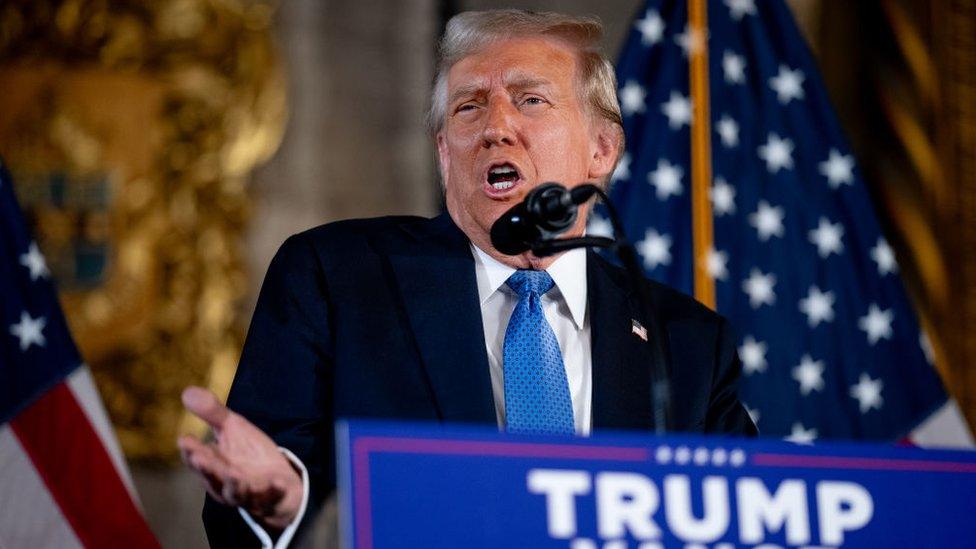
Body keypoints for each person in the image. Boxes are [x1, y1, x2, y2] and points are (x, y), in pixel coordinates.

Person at [178, 9, 757, 548]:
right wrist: (284, 506)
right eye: (468, 107)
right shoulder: (338, 279)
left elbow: (748, 521)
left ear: (601, 150)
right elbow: (250, 501)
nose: (496, 127)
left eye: (531, 100)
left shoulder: (686, 344)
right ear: (444, 153)